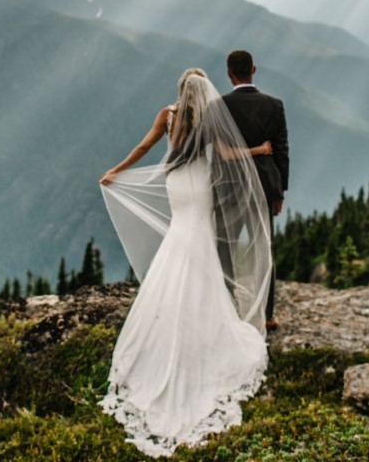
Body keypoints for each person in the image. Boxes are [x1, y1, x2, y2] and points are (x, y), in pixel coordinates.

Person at [98, 67, 273, 457]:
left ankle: (169, 318)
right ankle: (203, 321)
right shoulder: (210, 118)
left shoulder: (168, 114)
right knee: (200, 245)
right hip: (200, 184)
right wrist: (259, 151)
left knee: (179, 239)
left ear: (180, 89)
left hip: (177, 184)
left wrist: (117, 170)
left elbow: (144, 147)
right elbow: (227, 154)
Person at [221, 50, 288, 331]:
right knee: (264, 248)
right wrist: (279, 191)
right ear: (254, 69)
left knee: (225, 248)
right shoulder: (274, 105)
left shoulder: (219, 105)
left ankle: (226, 308)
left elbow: (218, 153)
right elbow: (282, 150)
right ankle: (268, 314)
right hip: (263, 188)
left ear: (229, 73)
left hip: (229, 188)